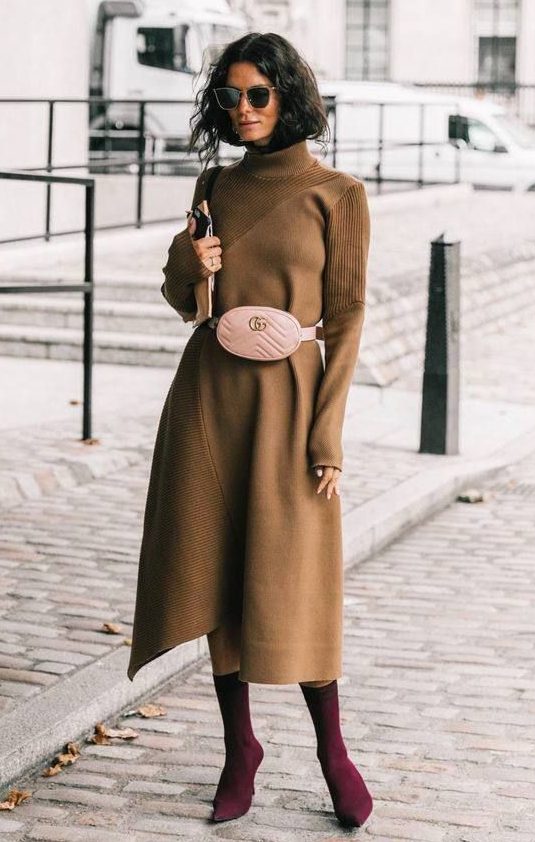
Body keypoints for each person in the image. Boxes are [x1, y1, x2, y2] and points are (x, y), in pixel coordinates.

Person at [127, 32, 373, 828]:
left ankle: (332, 752)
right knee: (215, 572)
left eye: (257, 95)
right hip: (208, 397)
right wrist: (187, 261)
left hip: (290, 402)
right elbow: (184, 302)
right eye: (230, 96)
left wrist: (326, 436)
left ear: (288, 97)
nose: (243, 110)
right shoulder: (213, 183)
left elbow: (346, 318)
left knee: (293, 578)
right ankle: (240, 750)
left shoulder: (336, 194)